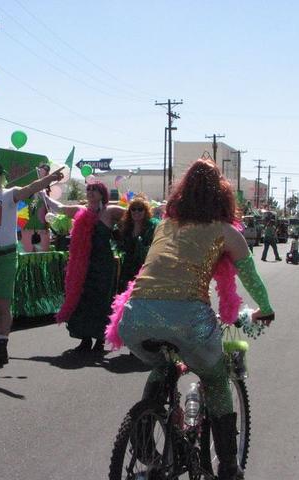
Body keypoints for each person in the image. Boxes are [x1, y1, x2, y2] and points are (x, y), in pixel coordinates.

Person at [108, 159, 274, 480]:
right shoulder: (226, 232)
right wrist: (264, 310)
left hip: (134, 316)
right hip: (188, 320)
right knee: (215, 378)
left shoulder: (163, 226)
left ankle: (144, 432)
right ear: (223, 196)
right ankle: (228, 467)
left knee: (162, 365)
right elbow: (251, 279)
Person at [0, 161, 64, 365]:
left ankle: (1, 346)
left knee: (2, 303)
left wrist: (49, 179)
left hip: (6, 256)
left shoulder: (9, 194)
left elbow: (30, 189)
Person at [45, 180, 124, 354]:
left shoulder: (110, 211)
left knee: (102, 301)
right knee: (82, 299)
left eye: (95, 189)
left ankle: (100, 341)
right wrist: (43, 195)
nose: (90, 192)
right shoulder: (80, 211)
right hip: (82, 262)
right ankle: (85, 339)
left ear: (102, 193)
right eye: (88, 189)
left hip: (103, 263)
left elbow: (136, 214)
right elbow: (60, 208)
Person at [116, 195, 159, 292]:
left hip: (143, 269)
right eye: (133, 209)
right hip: (127, 270)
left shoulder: (152, 229)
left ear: (145, 211)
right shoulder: (126, 228)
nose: (136, 212)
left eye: (140, 209)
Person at [20, 164, 51, 252]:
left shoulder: (47, 189)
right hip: (28, 226)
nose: (43, 173)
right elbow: (31, 204)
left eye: (46, 172)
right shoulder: (31, 187)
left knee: (39, 251)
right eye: (41, 171)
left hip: (41, 226)